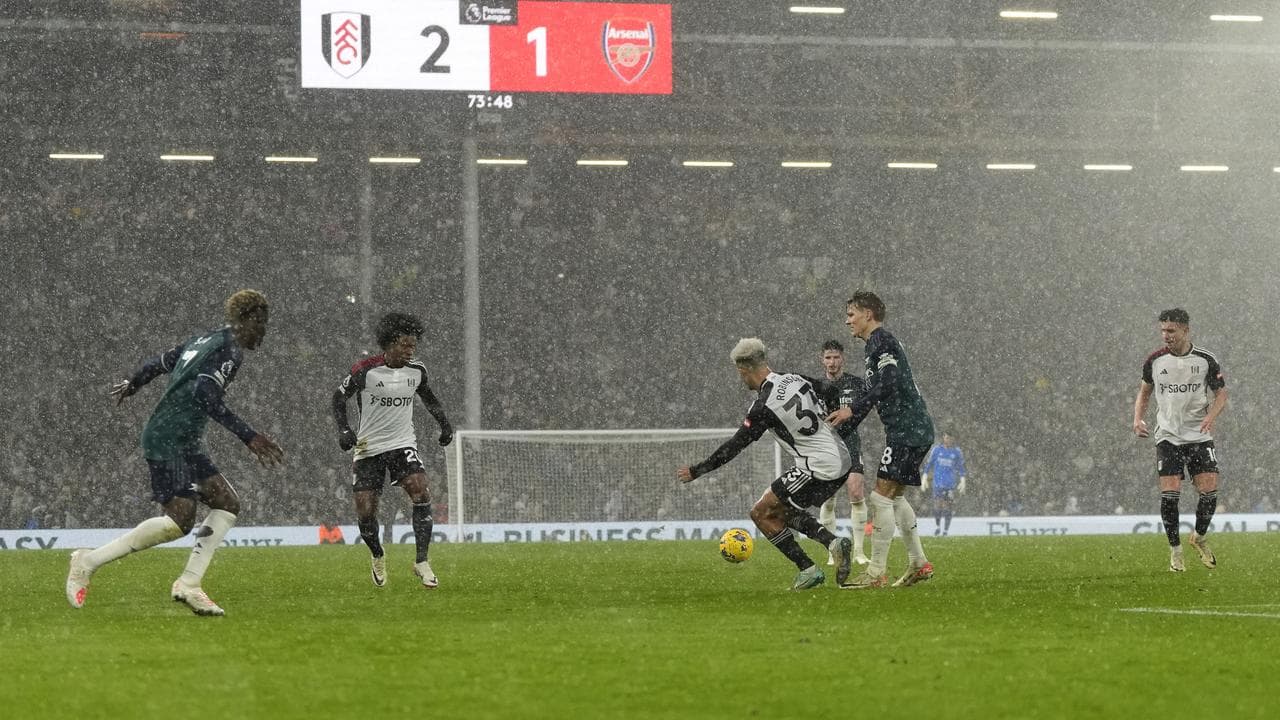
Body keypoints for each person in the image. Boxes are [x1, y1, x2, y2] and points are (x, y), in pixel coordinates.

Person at [65, 289, 285, 616]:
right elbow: (205, 396)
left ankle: (190, 584)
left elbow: (159, 363)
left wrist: (134, 383)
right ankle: (88, 560)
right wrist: (248, 436)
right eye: (261, 323)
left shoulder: (204, 339)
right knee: (180, 521)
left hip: (182, 439)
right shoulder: (229, 350)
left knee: (227, 503)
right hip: (167, 438)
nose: (264, 331)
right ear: (246, 320)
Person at [677, 338, 854, 590]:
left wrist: (697, 470)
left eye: (740, 374)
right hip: (841, 458)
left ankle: (808, 569)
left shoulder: (763, 406)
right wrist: (835, 413)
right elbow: (829, 389)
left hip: (818, 467)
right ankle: (832, 543)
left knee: (760, 513)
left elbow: (735, 445)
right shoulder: (793, 378)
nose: (741, 380)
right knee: (780, 511)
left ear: (744, 369)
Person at [332, 312, 454, 589]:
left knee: (420, 489)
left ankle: (421, 561)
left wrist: (445, 425)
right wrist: (343, 429)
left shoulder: (417, 371)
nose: (410, 351)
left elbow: (430, 400)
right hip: (368, 448)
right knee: (365, 512)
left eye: (413, 346)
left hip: (402, 443)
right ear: (389, 344)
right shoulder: (365, 370)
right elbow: (338, 397)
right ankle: (377, 554)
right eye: (404, 345)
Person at [827, 291, 935, 589]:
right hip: (911, 427)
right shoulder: (876, 344)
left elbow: (888, 382)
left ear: (868, 315)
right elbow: (879, 392)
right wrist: (851, 419)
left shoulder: (880, 341)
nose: (847, 320)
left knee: (879, 498)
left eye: (851, 314)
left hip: (907, 429)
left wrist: (853, 409)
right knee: (895, 497)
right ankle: (918, 564)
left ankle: (876, 573)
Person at [1132, 308, 1226, 572]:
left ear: (1186, 330)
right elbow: (1144, 394)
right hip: (1168, 437)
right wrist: (1137, 419)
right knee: (1170, 496)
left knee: (1209, 493)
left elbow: (1221, 395)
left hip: (1199, 436)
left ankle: (1199, 536)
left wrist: (1212, 417)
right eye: (1163, 330)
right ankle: (1175, 552)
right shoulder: (1155, 361)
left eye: (1171, 330)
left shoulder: (1206, 360)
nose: (1166, 335)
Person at [816, 340, 870, 565]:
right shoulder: (815, 387)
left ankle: (858, 551)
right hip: (826, 446)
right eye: (828, 357)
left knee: (856, 493)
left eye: (836, 357)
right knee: (828, 499)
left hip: (850, 441)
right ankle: (832, 551)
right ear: (822, 360)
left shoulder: (856, 384)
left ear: (843, 358)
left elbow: (867, 406)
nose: (832, 362)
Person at [921, 433, 967, 536]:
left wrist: (963, 479)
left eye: (950, 437)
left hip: (950, 484)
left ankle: (945, 531)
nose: (948, 439)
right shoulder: (937, 450)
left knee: (947, 507)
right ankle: (938, 527)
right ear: (943, 438)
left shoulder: (956, 452)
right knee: (937, 506)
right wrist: (924, 476)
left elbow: (961, 467)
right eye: (946, 437)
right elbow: (929, 464)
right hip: (938, 483)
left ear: (953, 438)